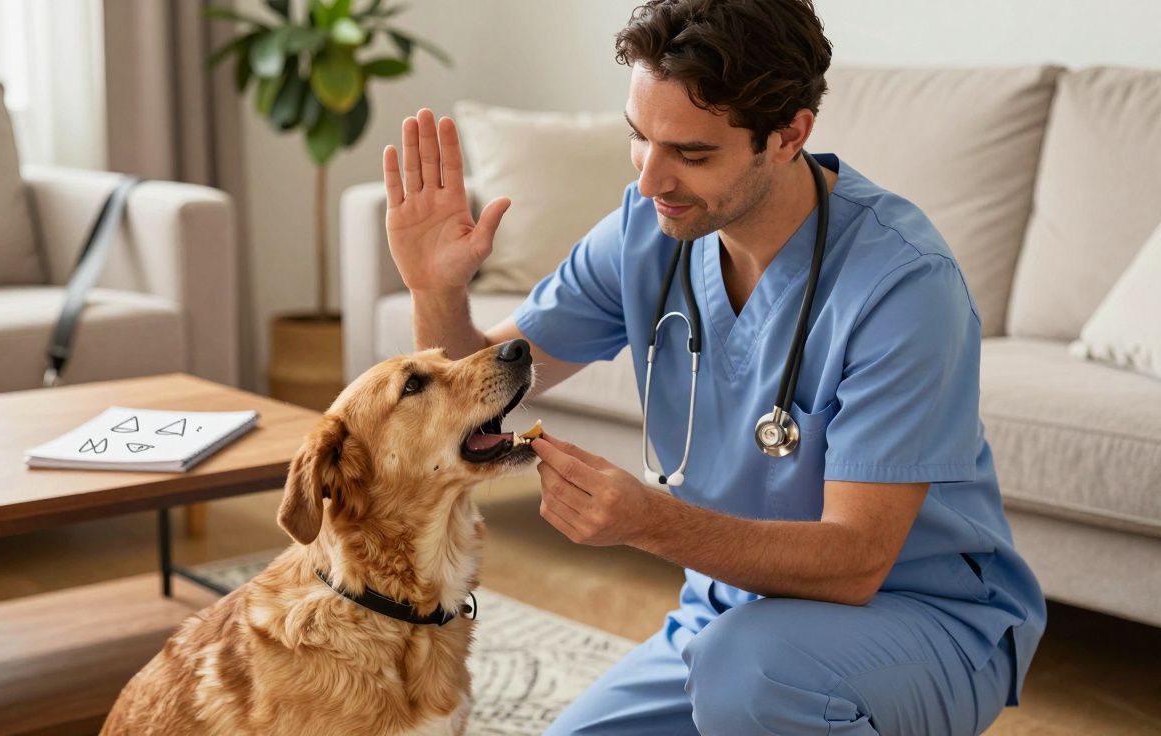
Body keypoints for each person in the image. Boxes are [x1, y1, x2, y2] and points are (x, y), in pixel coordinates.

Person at [380, 1, 1045, 732]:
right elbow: (476, 388)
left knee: (748, 675)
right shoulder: (647, 231)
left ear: (789, 134)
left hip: (922, 619)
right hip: (728, 617)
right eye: (640, 139)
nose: (650, 181)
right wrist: (434, 287)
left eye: (692, 155)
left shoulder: (903, 286)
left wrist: (646, 521)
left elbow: (858, 562)